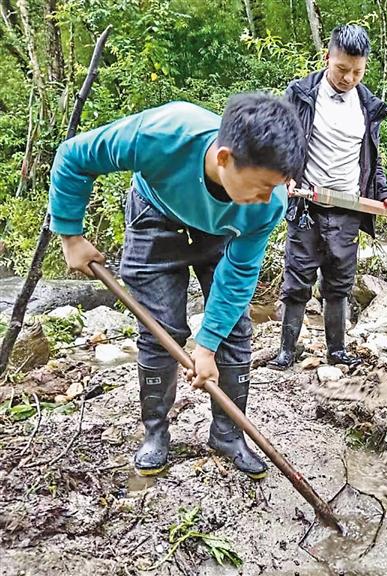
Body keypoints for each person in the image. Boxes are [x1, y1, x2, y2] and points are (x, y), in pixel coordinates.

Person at [48, 93, 305, 479]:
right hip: (155, 215)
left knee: (234, 332)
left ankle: (228, 434)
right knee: (161, 329)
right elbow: (74, 156)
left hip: (222, 229)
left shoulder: (266, 204)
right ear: (224, 158)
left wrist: (207, 346)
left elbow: (238, 275)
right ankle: (155, 433)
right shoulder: (162, 135)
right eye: (263, 186)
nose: (269, 198)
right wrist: (70, 235)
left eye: (277, 187)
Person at [268, 24, 387, 371]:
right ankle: (286, 351)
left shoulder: (367, 105)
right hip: (306, 205)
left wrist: (385, 194)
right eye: (342, 69)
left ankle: (337, 351)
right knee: (297, 279)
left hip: (348, 208)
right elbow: (281, 142)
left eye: (357, 71)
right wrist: (283, 175)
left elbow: (371, 160)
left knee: (339, 283)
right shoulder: (301, 94)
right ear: (327, 57)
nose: (348, 78)